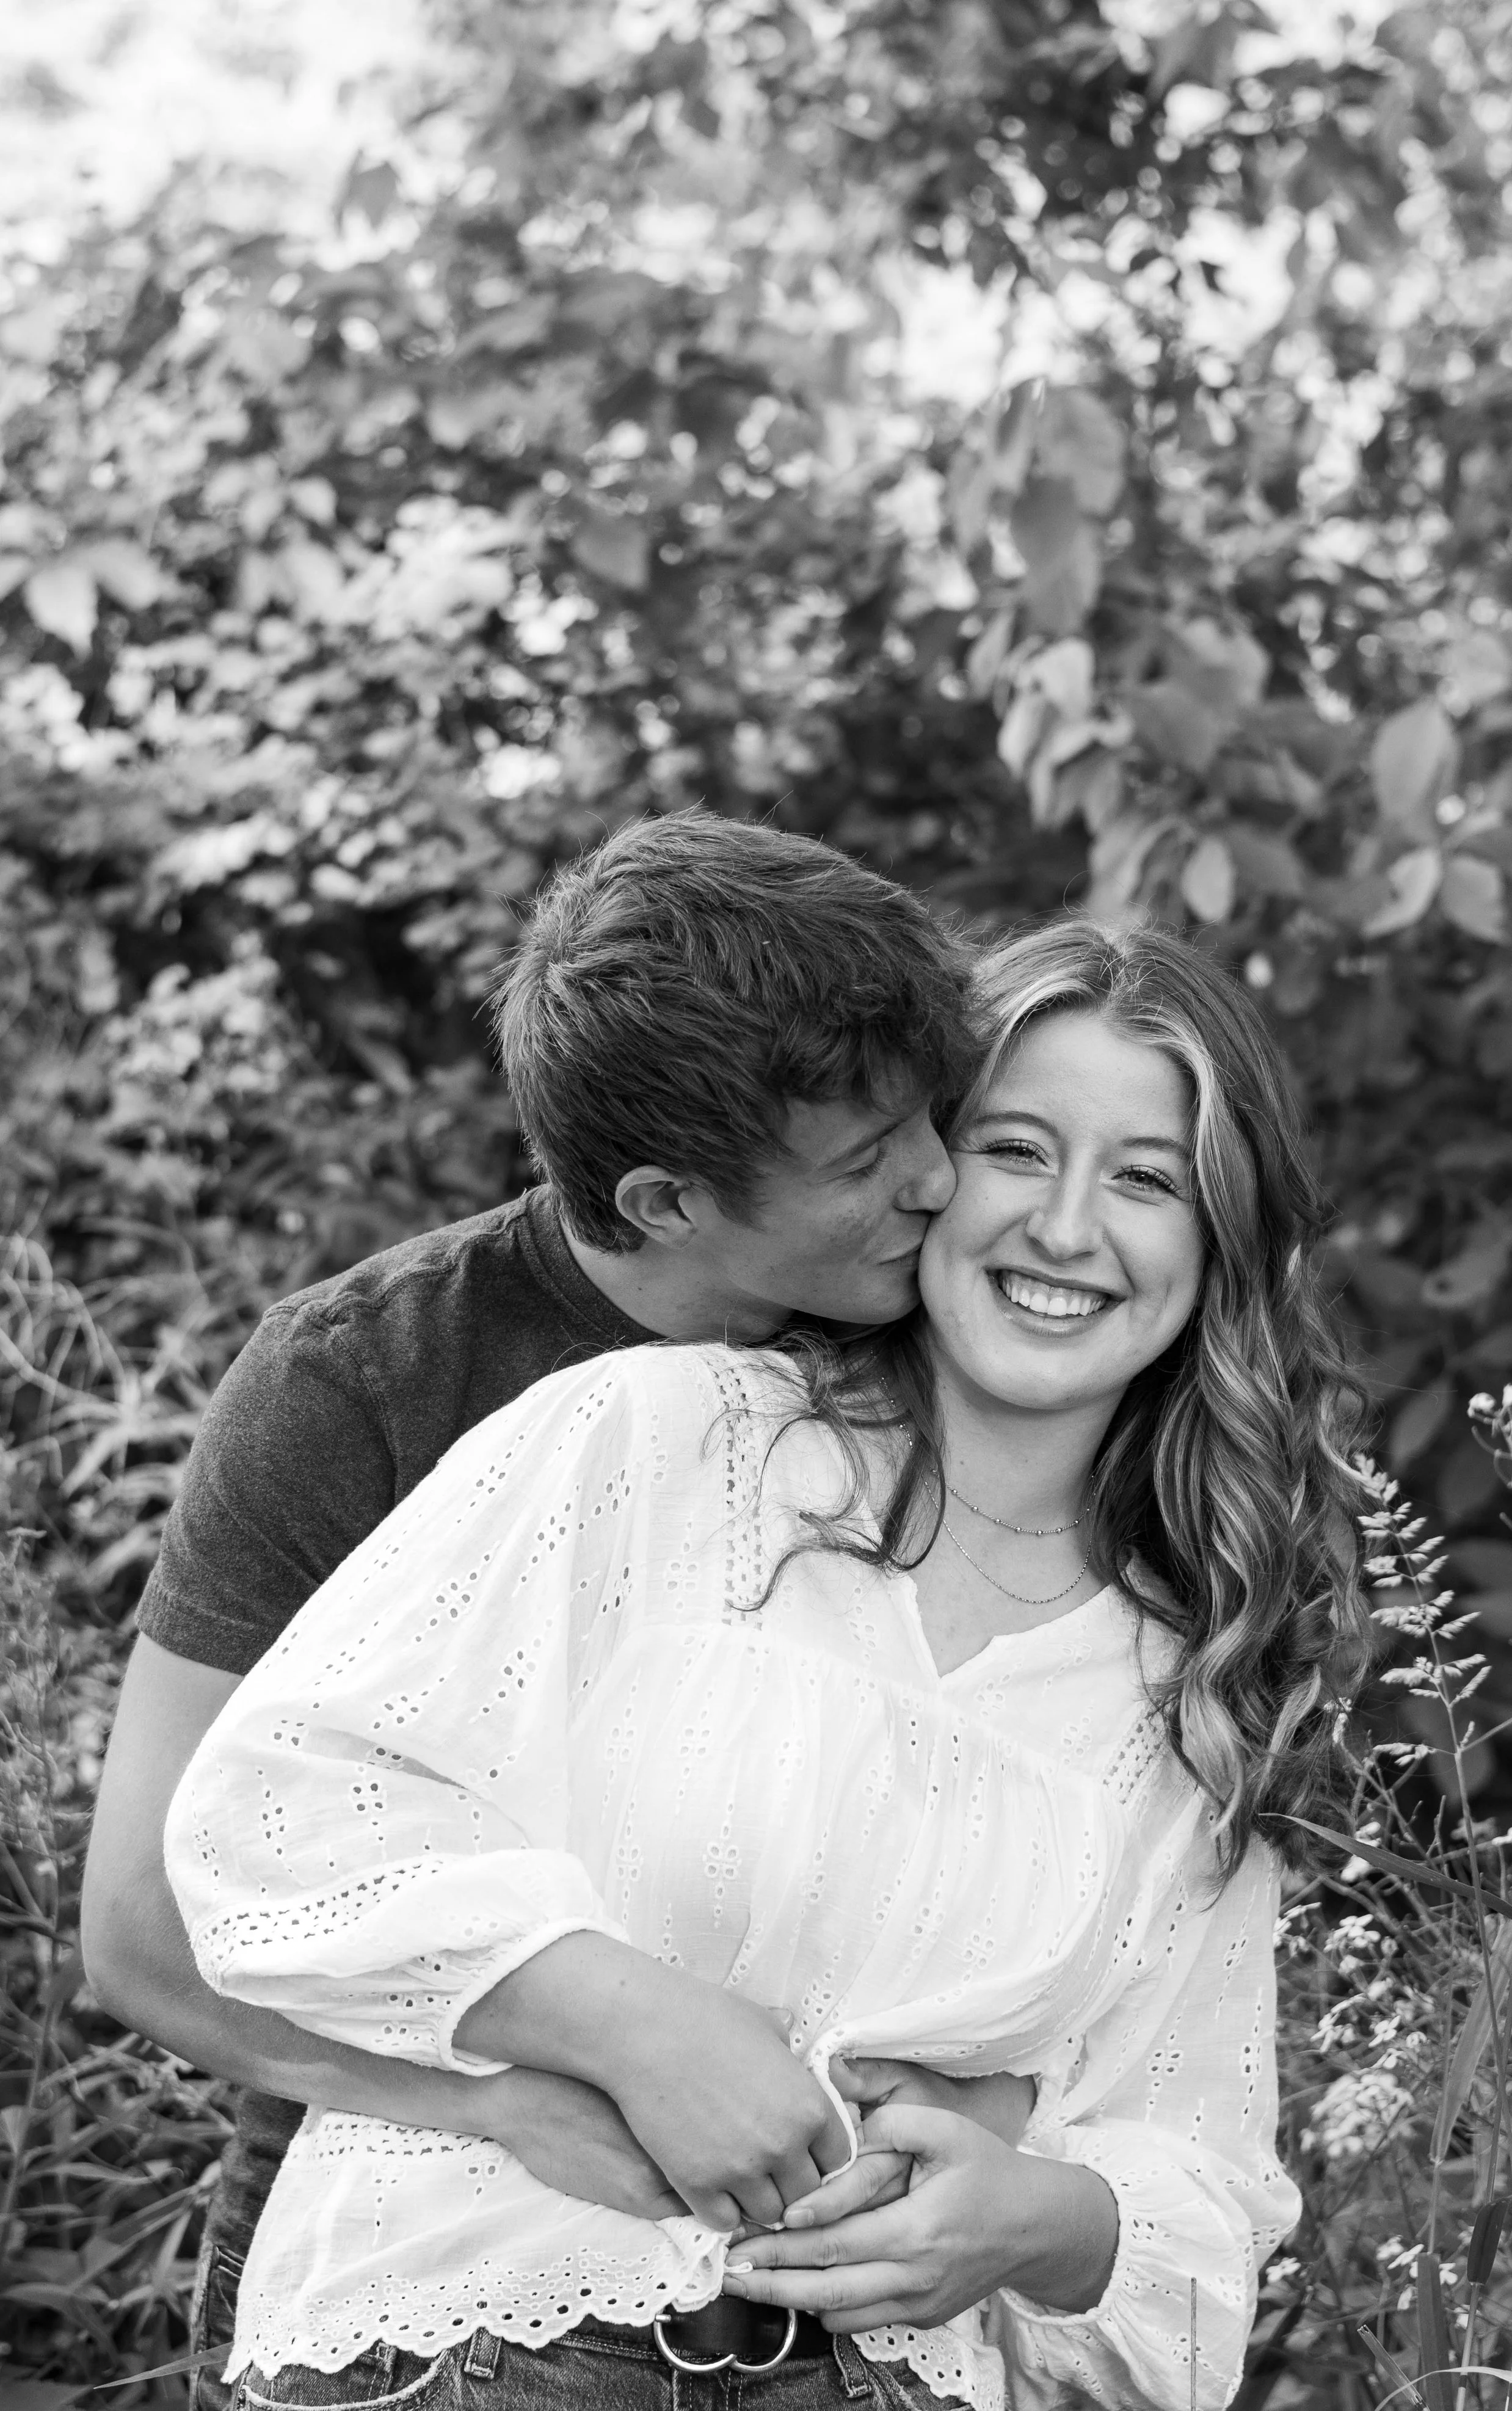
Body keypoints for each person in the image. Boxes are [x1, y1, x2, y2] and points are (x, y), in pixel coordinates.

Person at [161, 917, 1372, 2411]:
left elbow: (1202, 2194)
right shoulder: (653, 1438)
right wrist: (617, 2011)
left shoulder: (1194, 1683)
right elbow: (273, 1813)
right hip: (478, 2340)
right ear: (924, 1169)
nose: (1065, 1229)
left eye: (1143, 1177)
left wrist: (1048, 2222)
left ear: (1220, 1234)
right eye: (1011, 1149)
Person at [79, 812, 976, 2403]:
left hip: (818, 2305)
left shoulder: (936, 1342)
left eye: (935, 1118)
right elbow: (149, 1928)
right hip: (426, 2276)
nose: (937, 1178)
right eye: (863, 1161)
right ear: (657, 1202)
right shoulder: (369, 1378)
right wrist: (505, 2094)